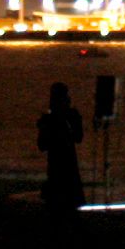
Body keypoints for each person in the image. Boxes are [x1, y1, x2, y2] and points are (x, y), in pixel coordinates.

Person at [39, 82, 85, 213]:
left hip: (56, 166)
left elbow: (42, 145)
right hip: (67, 165)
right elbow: (79, 137)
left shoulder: (49, 119)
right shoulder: (69, 117)